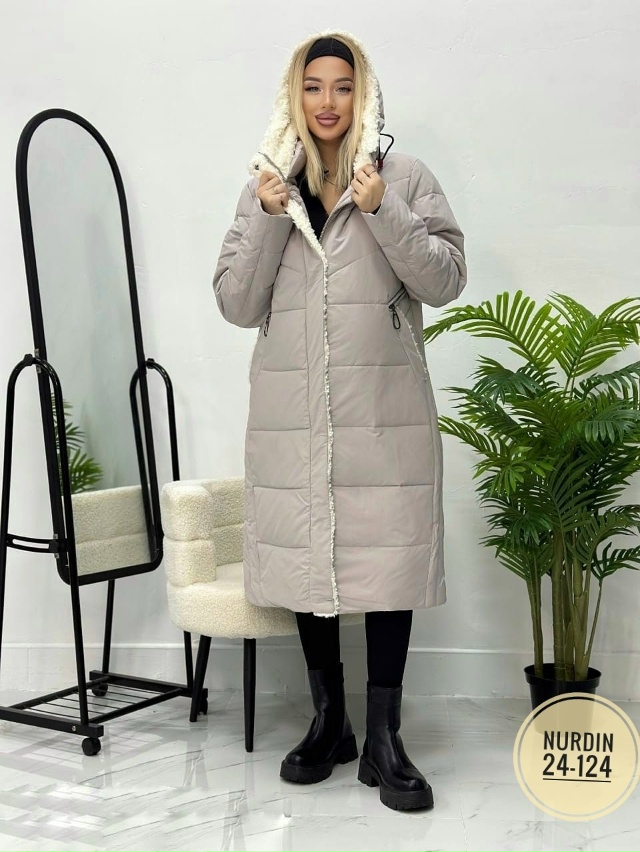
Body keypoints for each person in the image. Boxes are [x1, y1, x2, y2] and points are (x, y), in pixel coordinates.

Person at [212, 30, 467, 812]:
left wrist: (383, 208)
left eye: (344, 86)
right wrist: (267, 216)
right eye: (314, 86)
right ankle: (332, 724)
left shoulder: (404, 177)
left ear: (365, 95)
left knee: (388, 559)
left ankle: (385, 737)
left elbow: (446, 279)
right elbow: (235, 302)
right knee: (306, 553)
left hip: (383, 409)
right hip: (291, 409)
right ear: (295, 95)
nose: (328, 102)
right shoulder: (266, 186)